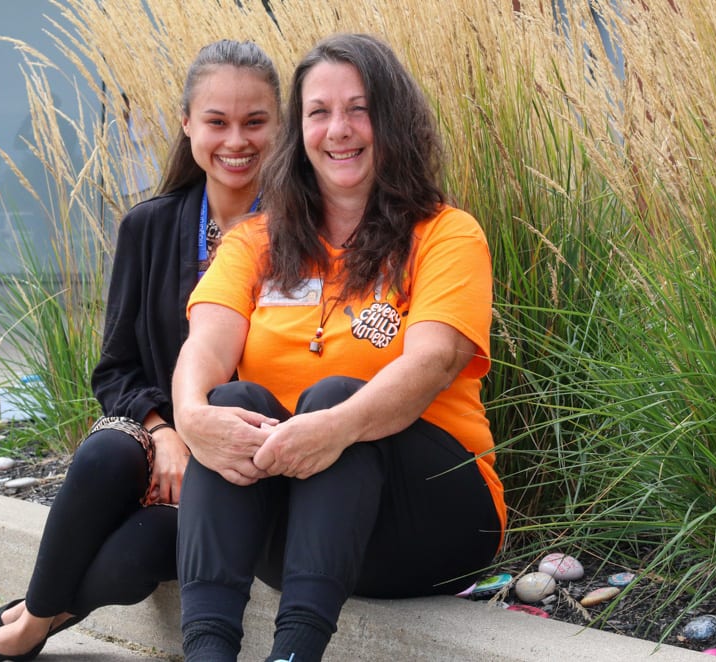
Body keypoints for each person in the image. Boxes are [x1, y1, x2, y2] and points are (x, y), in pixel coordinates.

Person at [0, 38, 280, 662]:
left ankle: (28, 617)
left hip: (244, 462)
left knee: (135, 555)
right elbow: (116, 368)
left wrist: (205, 441)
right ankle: (27, 628)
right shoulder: (148, 227)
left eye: (255, 121)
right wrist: (166, 432)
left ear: (279, 125)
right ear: (186, 124)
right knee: (102, 454)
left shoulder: (304, 232)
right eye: (217, 121)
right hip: (157, 445)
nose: (237, 141)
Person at [171, 32, 506, 662]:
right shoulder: (256, 241)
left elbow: (431, 361)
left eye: (359, 109)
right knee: (231, 397)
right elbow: (205, 347)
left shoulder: (446, 235)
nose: (339, 129)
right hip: (297, 531)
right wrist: (192, 418)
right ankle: (206, 652)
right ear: (300, 131)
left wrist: (334, 427)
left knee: (336, 401)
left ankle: (294, 653)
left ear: (393, 120)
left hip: (432, 520)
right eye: (319, 112)